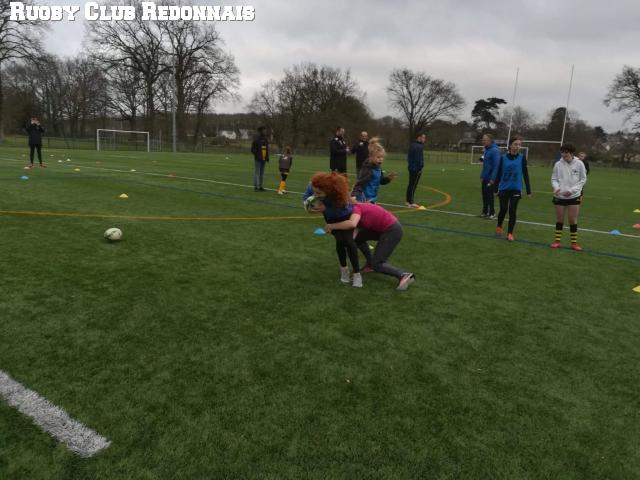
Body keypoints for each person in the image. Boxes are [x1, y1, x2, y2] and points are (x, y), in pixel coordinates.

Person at [324, 202, 415, 291]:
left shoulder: (355, 210)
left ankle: (403, 275)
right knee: (358, 239)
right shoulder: (353, 210)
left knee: (377, 264)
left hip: (392, 231)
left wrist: (332, 226)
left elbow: (352, 224)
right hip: (382, 230)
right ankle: (369, 263)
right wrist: (347, 246)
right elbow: (354, 234)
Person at [303, 172, 362, 287]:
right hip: (330, 218)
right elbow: (306, 197)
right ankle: (344, 270)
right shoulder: (313, 186)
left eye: (319, 193)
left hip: (345, 216)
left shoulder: (339, 195)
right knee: (340, 240)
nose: (315, 194)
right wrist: (308, 207)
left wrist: (325, 208)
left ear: (329, 191)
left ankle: (357, 274)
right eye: (314, 191)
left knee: (349, 242)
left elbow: (342, 211)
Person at [493, 137, 531, 241]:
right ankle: (499, 226)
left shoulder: (522, 158)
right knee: (503, 209)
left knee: (512, 210)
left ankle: (510, 233)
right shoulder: (503, 158)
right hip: (504, 188)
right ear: (510, 145)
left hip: (516, 189)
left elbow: (525, 174)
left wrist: (528, 190)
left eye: (519, 145)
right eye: (515, 144)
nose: (518, 146)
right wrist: (495, 189)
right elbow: (498, 174)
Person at [550, 143, 587, 251]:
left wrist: (572, 191)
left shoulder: (579, 164)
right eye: (562, 152)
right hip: (559, 196)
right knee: (559, 219)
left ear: (571, 153)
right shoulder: (558, 164)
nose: (563, 154)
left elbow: (583, 179)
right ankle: (557, 242)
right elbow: (554, 178)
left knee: (572, 220)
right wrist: (556, 187)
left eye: (566, 152)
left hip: (574, 196)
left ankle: (574, 243)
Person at [351, 138, 397, 203]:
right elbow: (359, 184)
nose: (381, 159)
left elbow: (381, 181)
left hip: (372, 198)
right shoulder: (368, 169)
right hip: (364, 199)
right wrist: (355, 196)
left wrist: (388, 178)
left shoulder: (378, 168)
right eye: (378, 157)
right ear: (371, 157)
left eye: (382, 157)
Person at [479, 133, 500, 218]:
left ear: (490, 140)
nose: (483, 141)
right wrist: (482, 175)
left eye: (485, 139)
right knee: (484, 195)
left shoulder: (495, 150)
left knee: (490, 195)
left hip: (490, 178)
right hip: (485, 177)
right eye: (483, 139)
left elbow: (496, 166)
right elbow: (485, 165)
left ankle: (492, 213)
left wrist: (493, 178)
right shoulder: (486, 150)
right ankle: (485, 212)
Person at [406, 132, 426, 208]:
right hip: (415, 169)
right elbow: (418, 159)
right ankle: (411, 202)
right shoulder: (418, 146)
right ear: (419, 137)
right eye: (423, 137)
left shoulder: (413, 145)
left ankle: (408, 201)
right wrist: (419, 168)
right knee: (413, 185)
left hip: (411, 168)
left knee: (411, 184)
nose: (424, 139)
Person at [251, 126, 269, 191]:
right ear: (261, 131)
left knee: (262, 173)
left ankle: (261, 187)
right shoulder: (256, 139)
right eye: (264, 130)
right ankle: (256, 187)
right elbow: (252, 149)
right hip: (258, 159)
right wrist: (257, 155)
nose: (265, 131)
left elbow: (266, 149)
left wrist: (267, 157)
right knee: (257, 173)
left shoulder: (265, 139)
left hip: (263, 159)